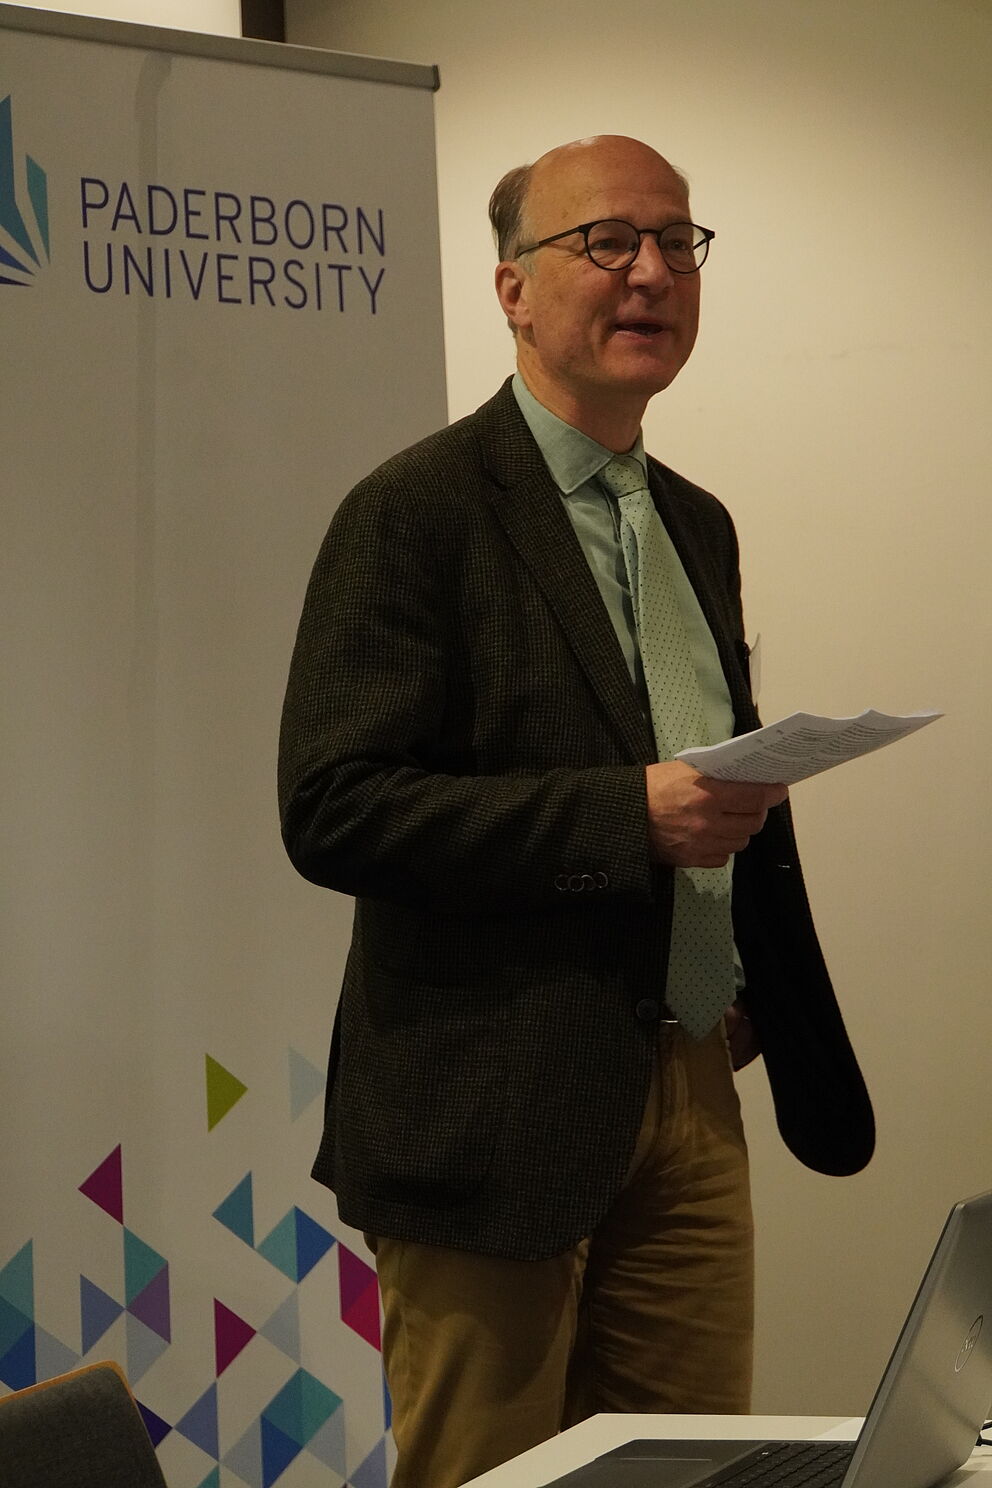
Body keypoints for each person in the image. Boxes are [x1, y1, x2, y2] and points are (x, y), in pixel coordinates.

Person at [278, 135, 874, 1488]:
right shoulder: (414, 514)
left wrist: (747, 987)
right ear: (513, 289)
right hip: (492, 1105)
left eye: (677, 241)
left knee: (695, 1470)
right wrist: (627, 817)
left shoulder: (696, 523)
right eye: (606, 241)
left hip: (690, 1082)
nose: (651, 272)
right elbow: (334, 806)